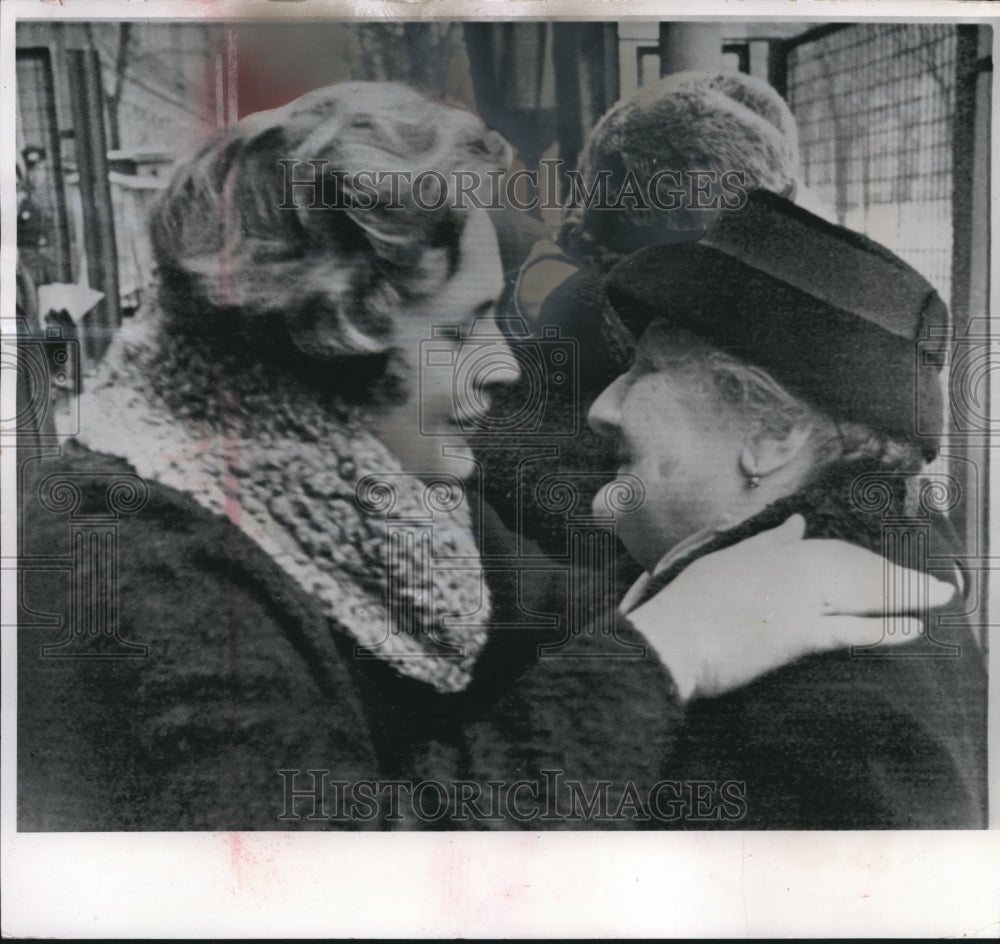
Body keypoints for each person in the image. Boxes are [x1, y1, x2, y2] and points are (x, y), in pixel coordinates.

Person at [17, 83, 959, 831]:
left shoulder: (363, 492)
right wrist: (677, 643)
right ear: (329, 342)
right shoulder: (131, 565)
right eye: (462, 326)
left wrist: (719, 579)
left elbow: (528, 613)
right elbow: (320, 891)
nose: (505, 366)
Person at [560, 191, 984, 827]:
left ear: (773, 435)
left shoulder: (832, 706)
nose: (603, 409)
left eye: (645, 371)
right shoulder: (859, 589)